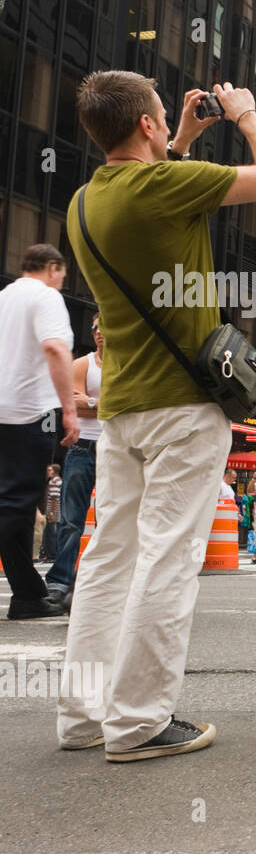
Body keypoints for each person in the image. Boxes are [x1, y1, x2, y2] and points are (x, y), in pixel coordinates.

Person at [58, 71, 256, 760]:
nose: (170, 119)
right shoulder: (166, 186)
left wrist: (184, 138)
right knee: (168, 557)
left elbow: (152, 196)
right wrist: (244, 115)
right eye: (163, 114)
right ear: (145, 125)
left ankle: (82, 715)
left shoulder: (85, 202)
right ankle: (138, 722)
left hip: (122, 410)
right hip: (183, 409)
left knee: (107, 559)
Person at [0, 243, 79, 620]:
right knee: (17, 503)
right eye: (62, 273)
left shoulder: (5, 297)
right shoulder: (46, 297)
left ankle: (28, 595)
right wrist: (69, 409)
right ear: (52, 267)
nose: (62, 281)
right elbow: (55, 349)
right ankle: (28, 595)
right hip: (28, 412)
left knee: (12, 506)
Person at [46, 313, 105, 610]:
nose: (99, 332)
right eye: (95, 328)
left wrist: (89, 401)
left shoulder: (126, 367)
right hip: (82, 448)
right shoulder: (83, 364)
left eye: (105, 327)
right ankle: (59, 584)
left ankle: (97, 582)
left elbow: (127, 406)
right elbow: (72, 404)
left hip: (114, 450)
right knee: (71, 521)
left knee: (110, 520)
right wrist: (101, 403)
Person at [40, 464, 63, 562]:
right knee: (53, 532)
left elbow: (54, 498)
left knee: (51, 533)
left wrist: (51, 513)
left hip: (53, 511)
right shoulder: (60, 480)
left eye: (50, 470)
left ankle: (52, 555)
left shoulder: (53, 482)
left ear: (54, 471)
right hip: (58, 510)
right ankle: (52, 554)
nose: (48, 472)